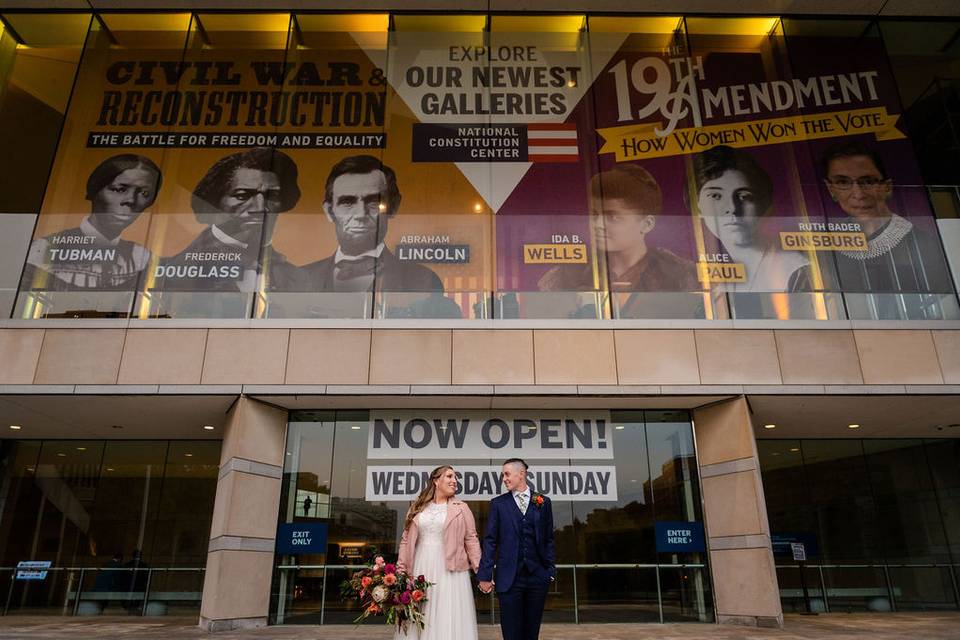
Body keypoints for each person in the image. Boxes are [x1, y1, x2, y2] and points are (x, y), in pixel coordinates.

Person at [292, 154, 461, 317]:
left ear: (393, 207)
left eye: (374, 202)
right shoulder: (295, 280)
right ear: (329, 211)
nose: (360, 214)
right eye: (347, 202)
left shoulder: (422, 279)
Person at [537, 164, 699, 318]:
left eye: (613, 217)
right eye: (594, 215)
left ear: (647, 224)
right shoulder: (564, 275)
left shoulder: (681, 275)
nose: (598, 224)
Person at [821, 140, 954, 319]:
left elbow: (946, 308)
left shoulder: (923, 243)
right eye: (843, 182)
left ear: (887, 186)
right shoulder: (825, 247)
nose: (858, 193)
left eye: (867, 181)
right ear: (831, 190)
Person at [152, 147, 301, 295]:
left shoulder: (299, 278)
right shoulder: (167, 273)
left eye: (272, 196)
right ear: (215, 200)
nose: (259, 208)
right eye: (242, 196)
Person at [21, 154, 161, 291]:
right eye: (119, 189)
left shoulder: (142, 258)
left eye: (144, 193)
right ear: (95, 190)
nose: (130, 200)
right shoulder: (42, 250)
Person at [692, 145, 812, 292]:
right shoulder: (717, 281)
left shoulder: (795, 271)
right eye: (716, 196)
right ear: (697, 206)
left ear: (762, 203)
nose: (732, 208)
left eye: (744, 197)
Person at [395, 465, 480, 640]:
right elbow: (405, 541)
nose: (454, 481)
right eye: (449, 476)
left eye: (455, 477)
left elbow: (471, 539)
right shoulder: (417, 507)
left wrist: (481, 570)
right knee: (421, 608)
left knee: (446, 610)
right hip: (421, 566)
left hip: (451, 569)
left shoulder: (462, 508)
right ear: (436, 481)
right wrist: (401, 571)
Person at [477, 459, 555, 640]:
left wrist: (550, 570)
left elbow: (549, 539)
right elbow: (490, 541)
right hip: (509, 579)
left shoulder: (543, 502)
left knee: (531, 633)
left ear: (521, 474)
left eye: (507, 474)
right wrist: (485, 574)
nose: (504, 479)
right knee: (511, 633)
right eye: (503, 475)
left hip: (537, 576)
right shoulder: (498, 504)